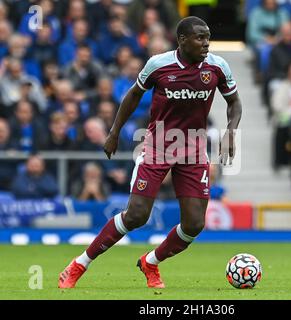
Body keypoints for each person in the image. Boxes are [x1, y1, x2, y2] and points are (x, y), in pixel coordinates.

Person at [58, 16, 242, 289]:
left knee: (194, 224)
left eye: (207, 37)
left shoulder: (217, 66)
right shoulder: (159, 64)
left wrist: (230, 131)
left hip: (193, 149)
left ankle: (151, 262)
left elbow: (234, 102)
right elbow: (133, 95)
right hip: (158, 146)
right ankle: (79, 264)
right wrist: (114, 132)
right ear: (182, 40)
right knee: (136, 216)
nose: (206, 43)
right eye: (200, 37)